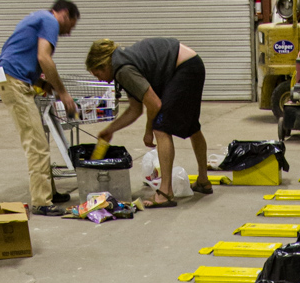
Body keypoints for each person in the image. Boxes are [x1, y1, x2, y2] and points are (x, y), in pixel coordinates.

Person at [85, 38, 211, 209]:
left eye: (97, 74)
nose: (99, 80)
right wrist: (110, 130)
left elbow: (154, 104)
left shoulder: (123, 69)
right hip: (191, 64)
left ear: (103, 65)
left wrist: (148, 130)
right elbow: (134, 109)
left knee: (161, 127)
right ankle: (203, 181)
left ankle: (165, 193)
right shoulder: (122, 66)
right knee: (191, 126)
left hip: (184, 68)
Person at [0, 0, 80, 216]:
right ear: (63, 14)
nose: (68, 33)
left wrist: (43, 83)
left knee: (40, 139)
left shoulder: (37, 18)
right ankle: (42, 202)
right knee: (36, 143)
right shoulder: (49, 21)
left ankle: (48, 191)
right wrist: (63, 93)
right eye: (70, 26)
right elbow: (44, 57)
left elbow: (25, 53)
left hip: (14, 80)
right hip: (15, 83)